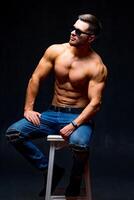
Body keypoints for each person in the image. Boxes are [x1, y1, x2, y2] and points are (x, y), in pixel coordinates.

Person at [6, 13, 108, 197]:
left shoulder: (96, 66)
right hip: (52, 113)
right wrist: (28, 108)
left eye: (79, 31)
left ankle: (75, 178)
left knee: (79, 145)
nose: (73, 33)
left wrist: (74, 125)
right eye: (73, 28)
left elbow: (95, 103)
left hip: (78, 117)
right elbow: (36, 78)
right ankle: (49, 170)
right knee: (14, 133)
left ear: (91, 38)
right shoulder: (55, 51)